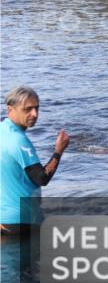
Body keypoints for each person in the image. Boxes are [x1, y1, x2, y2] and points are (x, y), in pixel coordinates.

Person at [1, 86, 70, 236]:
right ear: (10, 109)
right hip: (22, 222)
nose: (35, 114)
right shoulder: (18, 140)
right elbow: (41, 178)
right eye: (28, 109)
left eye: (37, 108)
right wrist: (59, 150)